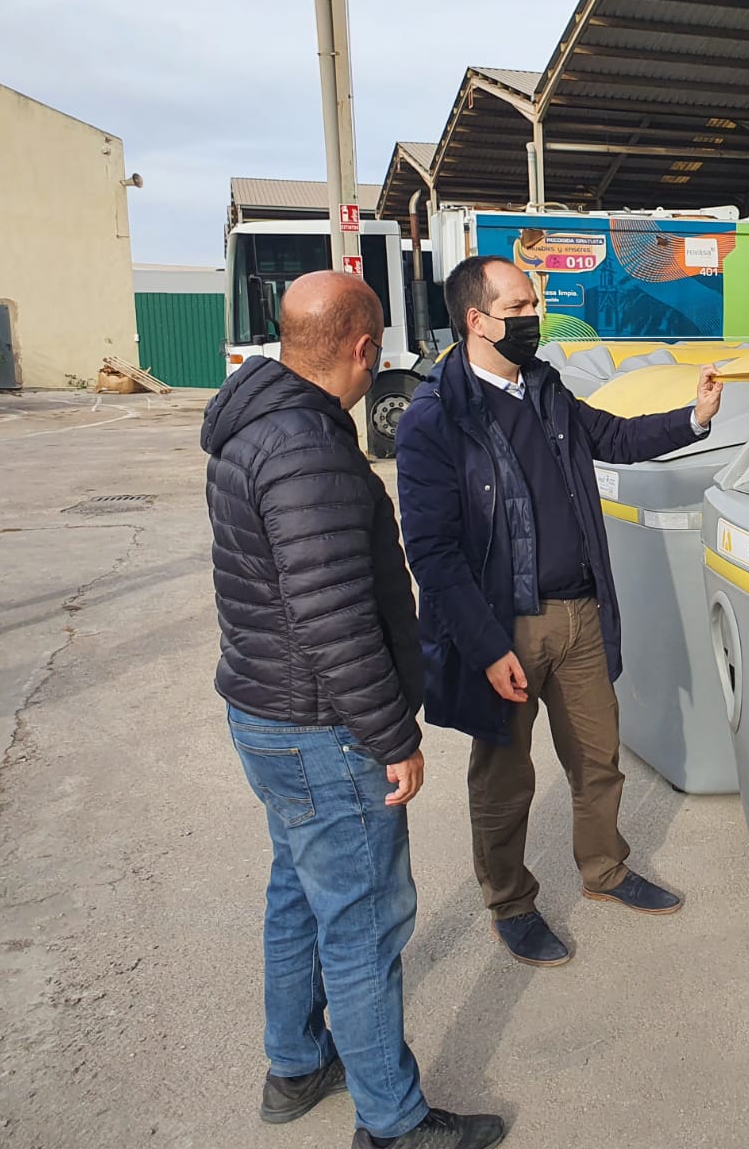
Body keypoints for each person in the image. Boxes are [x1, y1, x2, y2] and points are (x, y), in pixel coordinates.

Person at [202, 271, 505, 1149]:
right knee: (364, 922)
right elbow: (333, 618)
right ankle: (393, 1122)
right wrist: (390, 736)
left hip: (267, 713)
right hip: (320, 729)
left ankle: (297, 1064)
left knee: (300, 891)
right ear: (364, 348)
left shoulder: (255, 422)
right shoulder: (307, 450)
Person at [395, 255, 722, 968]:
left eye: (534, 303)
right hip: (503, 626)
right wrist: (486, 647)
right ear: (477, 320)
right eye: (518, 306)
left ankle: (604, 869)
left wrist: (694, 418)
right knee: (505, 778)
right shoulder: (436, 418)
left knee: (599, 757)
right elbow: (432, 552)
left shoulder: (544, 387)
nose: (533, 316)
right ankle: (510, 902)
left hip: (578, 614)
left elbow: (614, 438)